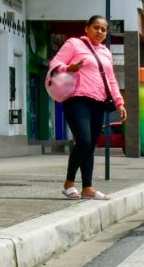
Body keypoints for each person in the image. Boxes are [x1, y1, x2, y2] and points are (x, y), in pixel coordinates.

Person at [49, 15, 127, 200]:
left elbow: (110, 79)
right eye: (96, 27)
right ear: (87, 29)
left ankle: (87, 188)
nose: (99, 31)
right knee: (83, 141)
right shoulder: (74, 44)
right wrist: (69, 68)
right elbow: (55, 63)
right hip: (77, 99)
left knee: (90, 145)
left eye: (103, 29)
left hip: (98, 102)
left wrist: (120, 102)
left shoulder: (106, 52)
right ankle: (69, 183)